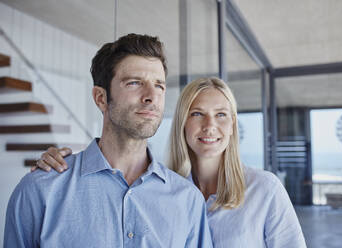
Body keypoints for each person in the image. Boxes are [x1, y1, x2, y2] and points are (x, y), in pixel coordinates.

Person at [34, 77, 307, 247]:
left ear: (233, 125)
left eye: (221, 115)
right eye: (197, 113)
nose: (210, 126)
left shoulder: (265, 190)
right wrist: (68, 163)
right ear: (182, 124)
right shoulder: (163, 189)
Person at [4, 34, 213, 248]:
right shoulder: (41, 190)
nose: (151, 96)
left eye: (159, 85)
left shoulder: (188, 200)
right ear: (101, 98)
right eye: (134, 83)